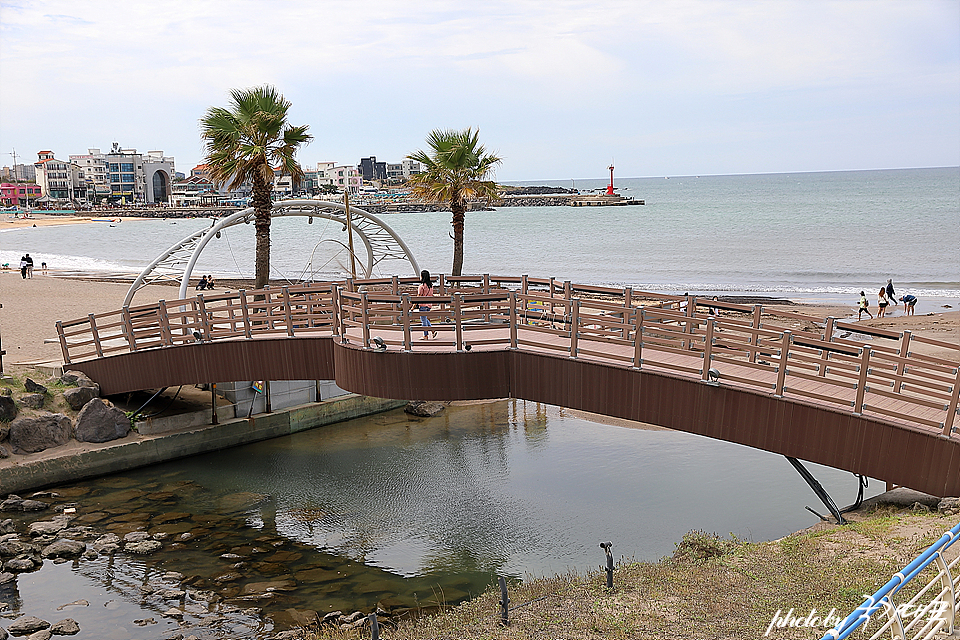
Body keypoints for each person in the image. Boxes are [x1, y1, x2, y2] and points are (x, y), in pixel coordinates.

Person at [417, 269, 437, 339]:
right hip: (429, 305)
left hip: (422, 305)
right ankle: (432, 330)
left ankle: (425, 335)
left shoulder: (421, 286)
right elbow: (431, 295)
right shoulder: (431, 286)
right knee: (425, 319)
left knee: (423, 320)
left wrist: (413, 306)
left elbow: (418, 296)